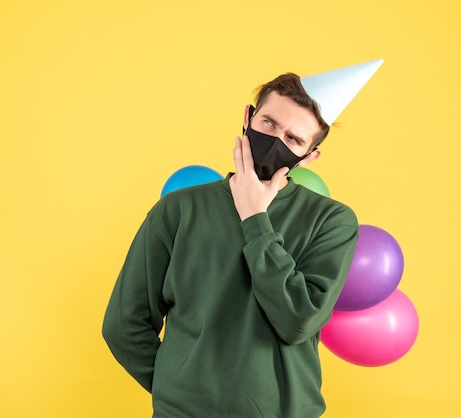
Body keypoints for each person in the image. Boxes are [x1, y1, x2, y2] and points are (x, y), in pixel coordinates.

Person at [103, 60, 383, 417]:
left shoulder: (331, 221)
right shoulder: (177, 211)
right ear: (248, 116)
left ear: (309, 156)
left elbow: (298, 320)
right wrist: (177, 391)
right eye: (269, 123)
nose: (274, 141)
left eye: (293, 139)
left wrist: (255, 218)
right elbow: (124, 323)